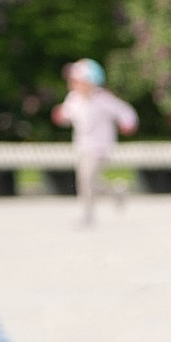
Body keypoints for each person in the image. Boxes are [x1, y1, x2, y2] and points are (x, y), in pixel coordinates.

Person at [52, 58, 136, 223]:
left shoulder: (103, 99)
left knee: (85, 178)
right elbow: (66, 115)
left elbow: (125, 112)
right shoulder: (73, 99)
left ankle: (88, 214)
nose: (72, 83)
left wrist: (128, 123)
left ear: (91, 82)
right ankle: (116, 191)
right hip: (82, 147)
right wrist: (60, 115)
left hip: (100, 148)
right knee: (89, 180)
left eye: (77, 80)